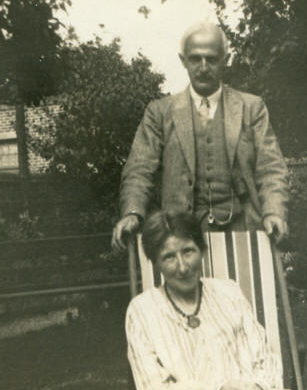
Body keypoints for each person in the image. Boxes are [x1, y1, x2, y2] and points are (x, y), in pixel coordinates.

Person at [125, 211, 307, 390]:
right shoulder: (143, 311)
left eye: (188, 251)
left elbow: (264, 359)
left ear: (201, 250)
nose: (183, 266)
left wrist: (255, 389)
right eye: (168, 257)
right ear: (155, 263)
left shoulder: (228, 292)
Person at [111, 22, 290, 250]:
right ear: (183, 60)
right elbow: (139, 169)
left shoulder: (251, 108)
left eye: (212, 59)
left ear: (226, 59)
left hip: (244, 231)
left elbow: (271, 168)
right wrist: (132, 213)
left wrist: (274, 211)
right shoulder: (159, 112)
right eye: (195, 59)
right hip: (182, 237)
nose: (203, 67)